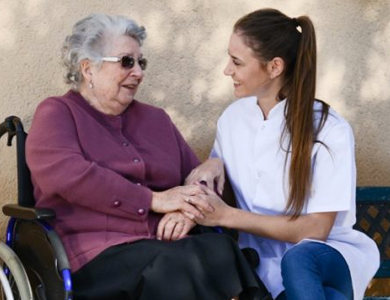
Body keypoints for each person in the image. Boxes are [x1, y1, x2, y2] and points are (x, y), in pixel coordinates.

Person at [25, 13, 267, 300]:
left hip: (166, 246)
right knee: (176, 266)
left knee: (220, 250)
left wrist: (190, 206)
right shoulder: (57, 113)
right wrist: (154, 200)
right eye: (127, 61)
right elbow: (68, 175)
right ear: (88, 68)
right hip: (95, 253)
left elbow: (194, 179)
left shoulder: (156, 120)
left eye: (141, 62)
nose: (138, 72)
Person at [187, 8, 380, 300]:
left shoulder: (328, 129)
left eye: (237, 62)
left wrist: (228, 216)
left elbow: (315, 230)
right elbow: (214, 179)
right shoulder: (232, 120)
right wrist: (212, 164)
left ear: (275, 67)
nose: (227, 70)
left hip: (327, 257)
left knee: (299, 260)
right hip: (263, 270)